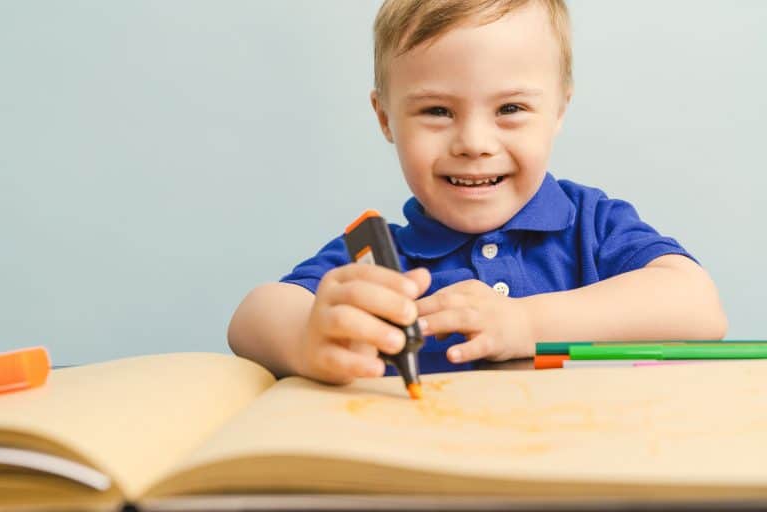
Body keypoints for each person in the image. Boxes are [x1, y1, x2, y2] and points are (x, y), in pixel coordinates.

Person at [228, 0, 727, 384]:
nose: (473, 144)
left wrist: (525, 324)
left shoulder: (590, 224)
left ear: (558, 111)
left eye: (510, 109)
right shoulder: (382, 266)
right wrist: (308, 335)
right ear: (385, 119)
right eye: (437, 111)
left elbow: (698, 305)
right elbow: (253, 318)